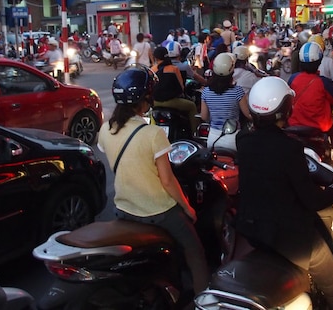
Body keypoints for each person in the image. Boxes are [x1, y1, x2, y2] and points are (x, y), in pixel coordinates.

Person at [236, 77, 333, 310]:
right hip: (290, 238)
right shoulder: (290, 148)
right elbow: (311, 199)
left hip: (253, 229)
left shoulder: (243, 140)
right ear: (286, 110)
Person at [97, 66, 208, 293]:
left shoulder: (106, 129)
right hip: (158, 212)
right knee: (196, 252)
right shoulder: (152, 134)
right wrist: (188, 209)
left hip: (124, 208)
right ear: (146, 99)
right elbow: (167, 182)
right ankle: (203, 299)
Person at [288, 42, 333, 168]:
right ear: (319, 62)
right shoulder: (323, 82)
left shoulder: (293, 78)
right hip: (318, 126)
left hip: (294, 124)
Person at [200, 53, 251, 150]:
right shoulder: (238, 91)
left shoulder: (206, 92)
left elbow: (204, 116)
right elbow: (248, 114)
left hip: (212, 139)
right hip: (233, 140)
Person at [150, 46, 199, 135]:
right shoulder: (174, 69)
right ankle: (195, 133)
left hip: (155, 102)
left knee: (151, 113)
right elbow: (181, 88)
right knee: (192, 106)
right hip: (172, 101)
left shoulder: (152, 70)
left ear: (156, 57)